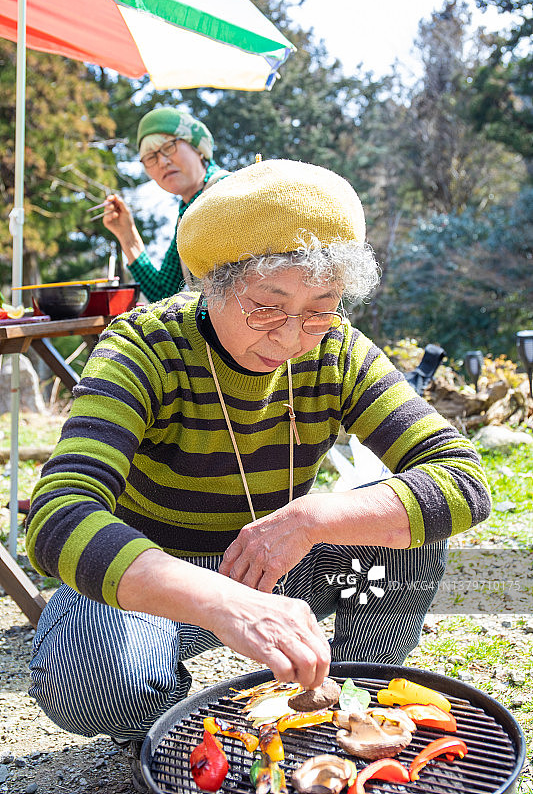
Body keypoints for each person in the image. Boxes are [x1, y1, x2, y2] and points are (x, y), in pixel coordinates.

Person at [27, 160, 491, 761]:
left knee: (402, 526)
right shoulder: (142, 347)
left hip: (275, 558)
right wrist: (222, 602)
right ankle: (168, 722)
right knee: (93, 681)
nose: (293, 337)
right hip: (158, 576)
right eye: (267, 307)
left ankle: (352, 691)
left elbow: (464, 480)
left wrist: (313, 519)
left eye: (321, 306)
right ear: (212, 286)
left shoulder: (337, 350)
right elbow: (59, 512)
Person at [102, 106, 229, 301]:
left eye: (169, 147)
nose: (162, 161)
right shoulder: (187, 213)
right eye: (151, 157)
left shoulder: (228, 190)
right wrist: (127, 236)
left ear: (198, 149)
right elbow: (162, 292)